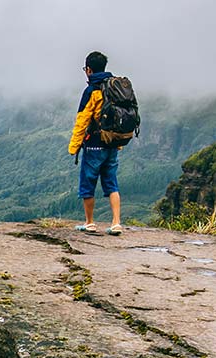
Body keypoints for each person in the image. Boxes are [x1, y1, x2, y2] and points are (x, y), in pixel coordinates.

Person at [69, 51, 122, 235]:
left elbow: (82, 119)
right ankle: (116, 223)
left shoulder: (92, 90)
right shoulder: (115, 87)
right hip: (112, 143)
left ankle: (90, 222)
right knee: (111, 183)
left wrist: (74, 146)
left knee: (88, 183)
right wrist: (118, 141)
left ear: (89, 69)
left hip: (94, 145)